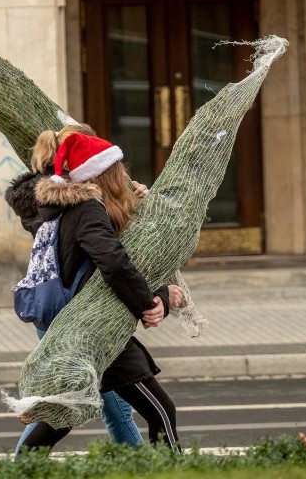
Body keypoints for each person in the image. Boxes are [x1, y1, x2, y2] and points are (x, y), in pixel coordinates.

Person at [14, 130, 184, 454]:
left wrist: (134, 209)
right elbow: (114, 263)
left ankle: (19, 468)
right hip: (93, 331)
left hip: (79, 328)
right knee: (160, 410)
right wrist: (147, 303)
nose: (123, 172)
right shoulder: (88, 209)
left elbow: (121, 258)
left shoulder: (67, 208)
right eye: (117, 167)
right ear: (104, 172)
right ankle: (173, 472)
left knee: (61, 417)